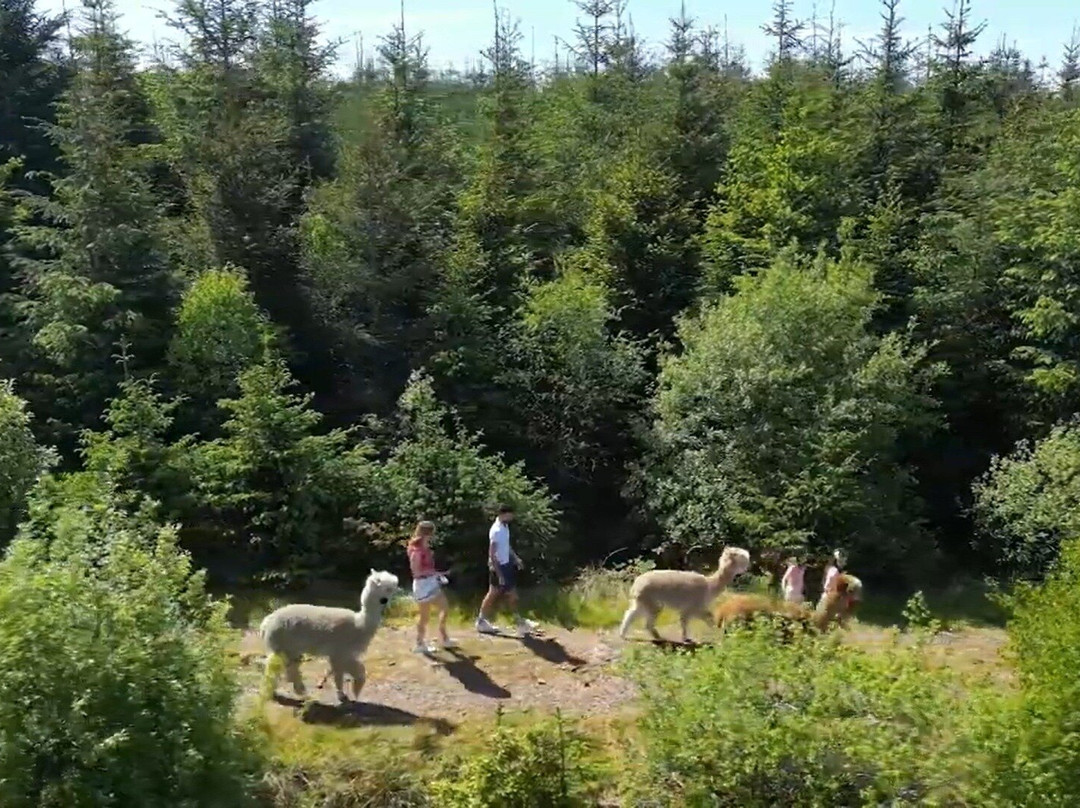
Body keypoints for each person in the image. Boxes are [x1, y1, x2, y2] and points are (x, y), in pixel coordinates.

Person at [475, 505, 537, 637]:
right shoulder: (496, 531)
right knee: (498, 594)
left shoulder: (505, 527)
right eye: (510, 515)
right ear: (504, 514)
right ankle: (518, 623)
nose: (512, 517)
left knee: (506, 594)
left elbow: (506, 545)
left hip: (507, 564)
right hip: (498, 567)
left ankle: (518, 622)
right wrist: (499, 573)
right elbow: (492, 554)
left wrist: (515, 558)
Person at [407, 520, 456, 654]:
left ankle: (443, 636)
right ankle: (419, 643)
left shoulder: (425, 547)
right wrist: (436, 573)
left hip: (431, 582)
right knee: (425, 617)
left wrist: (436, 574)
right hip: (422, 585)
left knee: (444, 607)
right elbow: (416, 572)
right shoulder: (416, 551)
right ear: (427, 533)